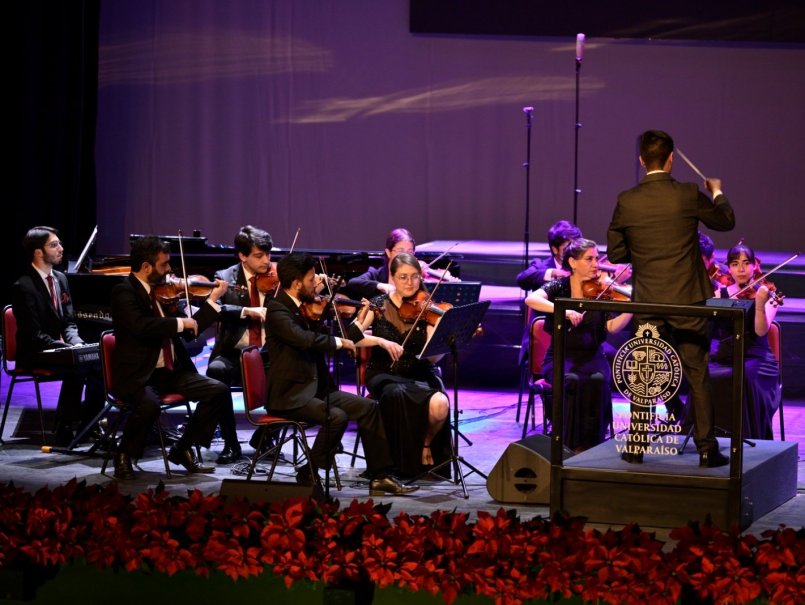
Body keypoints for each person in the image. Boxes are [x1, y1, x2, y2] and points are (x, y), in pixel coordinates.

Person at [607, 129, 735, 467]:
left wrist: (644, 254)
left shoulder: (627, 200)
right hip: (688, 300)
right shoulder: (687, 194)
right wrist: (717, 191)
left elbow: (616, 254)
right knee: (697, 372)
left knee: (645, 371)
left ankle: (635, 447)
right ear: (671, 159)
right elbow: (726, 221)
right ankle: (707, 450)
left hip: (649, 300)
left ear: (641, 160)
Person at [265, 252, 418, 495]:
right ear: (296, 284)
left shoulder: (304, 306)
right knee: (336, 417)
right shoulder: (276, 310)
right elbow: (304, 339)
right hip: (290, 395)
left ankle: (380, 476)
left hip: (316, 389)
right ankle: (309, 470)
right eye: (311, 279)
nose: (316, 284)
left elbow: (334, 336)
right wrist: (339, 342)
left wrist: (356, 322)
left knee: (369, 408)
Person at [110, 236, 232, 480]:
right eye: (164, 264)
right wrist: (179, 322)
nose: (169, 270)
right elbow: (142, 326)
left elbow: (190, 330)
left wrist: (212, 300)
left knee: (218, 391)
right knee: (149, 405)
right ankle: (123, 454)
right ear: (146, 267)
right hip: (138, 375)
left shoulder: (164, 293)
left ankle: (182, 448)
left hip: (169, 372)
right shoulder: (124, 292)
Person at [525, 239, 633, 451]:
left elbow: (611, 327)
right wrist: (563, 310)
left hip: (593, 356)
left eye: (596, 258)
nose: (596, 264)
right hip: (560, 356)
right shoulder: (560, 286)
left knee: (598, 380)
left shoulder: (601, 290)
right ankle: (567, 444)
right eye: (589, 259)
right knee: (572, 380)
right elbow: (532, 299)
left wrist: (630, 308)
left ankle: (594, 444)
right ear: (573, 263)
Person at [354, 253, 451, 477]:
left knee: (440, 404)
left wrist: (442, 337)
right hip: (384, 372)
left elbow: (432, 359)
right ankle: (396, 464)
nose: (409, 283)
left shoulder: (427, 308)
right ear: (393, 278)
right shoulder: (378, 304)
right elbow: (352, 337)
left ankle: (425, 445)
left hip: (419, 373)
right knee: (396, 393)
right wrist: (379, 341)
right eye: (403, 277)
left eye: (414, 277)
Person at [10, 226, 104, 446]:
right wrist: (68, 350)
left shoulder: (61, 278)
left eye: (60, 243)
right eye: (54, 245)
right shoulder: (23, 286)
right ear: (38, 252)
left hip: (57, 350)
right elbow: (34, 335)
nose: (61, 248)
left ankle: (88, 425)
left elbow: (69, 322)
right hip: (34, 352)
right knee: (77, 367)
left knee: (99, 364)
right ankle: (64, 428)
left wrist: (77, 344)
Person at [206, 225, 274, 464]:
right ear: (242, 256)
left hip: (268, 354)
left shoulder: (277, 278)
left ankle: (265, 436)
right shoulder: (224, 277)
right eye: (259, 255)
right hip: (234, 353)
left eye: (268, 254)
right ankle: (230, 443)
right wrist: (247, 311)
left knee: (298, 372)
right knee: (216, 371)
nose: (266, 261)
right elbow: (215, 308)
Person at [709, 242, 780, 439]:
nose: (741, 269)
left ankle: (746, 436)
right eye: (735, 264)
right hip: (726, 355)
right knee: (703, 376)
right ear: (729, 268)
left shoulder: (768, 294)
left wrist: (759, 304)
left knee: (744, 376)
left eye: (746, 263)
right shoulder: (720, 294)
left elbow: (760, 331)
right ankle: (709, 436)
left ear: (755, 265)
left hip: (757, 358)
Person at [346, 227, 455, 299]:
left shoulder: (417, 275)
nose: (405, 256)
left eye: (410, 252)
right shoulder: (376, 274)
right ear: (388, 252)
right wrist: (381, 285)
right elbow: (353, 283)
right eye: (400, 251)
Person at [516, 220, 582, 291]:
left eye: (576, 247)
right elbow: (522, 279)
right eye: (568, 247)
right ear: (555, 249)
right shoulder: (540, 265)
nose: (573, 251)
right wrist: (553, 273)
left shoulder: (582, 265)